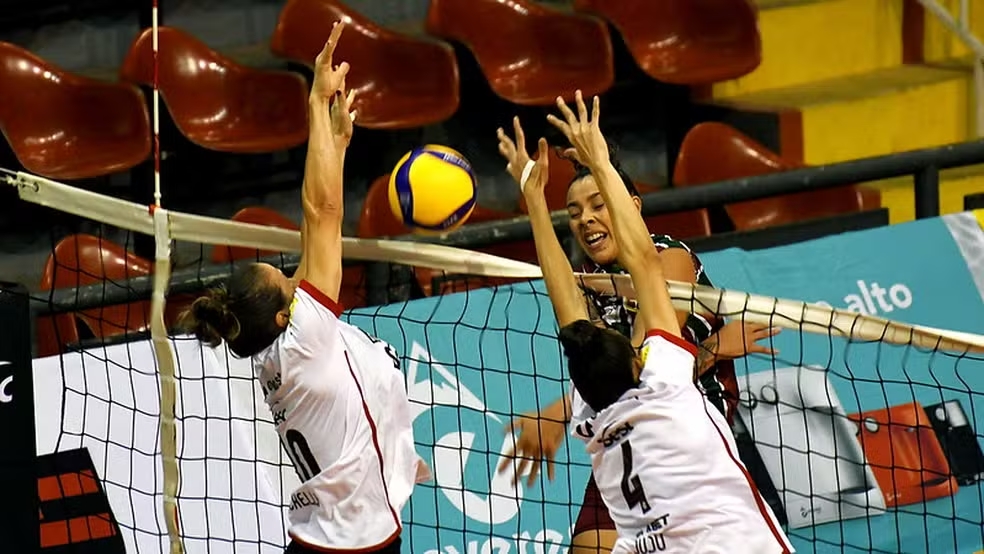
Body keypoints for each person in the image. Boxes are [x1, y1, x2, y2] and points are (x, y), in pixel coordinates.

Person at [179, 22, 428, 554]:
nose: (298, 278)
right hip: (356, 542)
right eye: (290, 285)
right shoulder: (306, 340)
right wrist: (316, 102)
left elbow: (317, 228)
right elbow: (322, 213)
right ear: (282, 318)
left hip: (318, 534)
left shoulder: (276, 349)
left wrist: (336, 146)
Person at [516, 90, 794, 553]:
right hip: (624, 443)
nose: (586, 220)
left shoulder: (672, 259)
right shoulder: (589, 282)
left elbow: (645, 363)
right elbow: (614, 358)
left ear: (631, 208)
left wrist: (561, 412)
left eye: (599, 204)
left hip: (690, 445)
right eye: (574, 212)